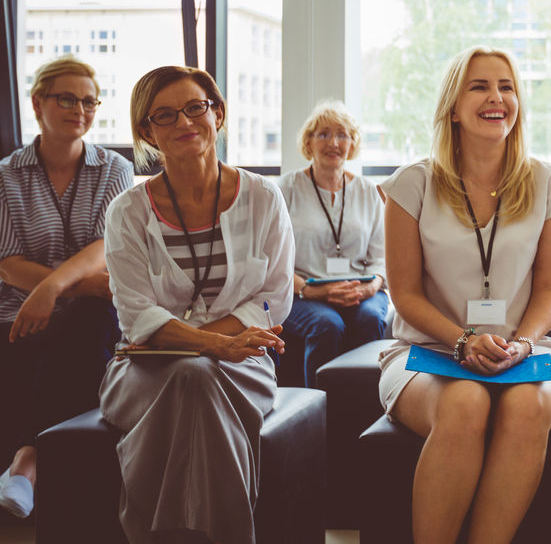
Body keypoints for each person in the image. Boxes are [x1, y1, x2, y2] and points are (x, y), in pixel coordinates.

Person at [377, 47, 551, 544]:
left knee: (526, 407)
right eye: (480, 86)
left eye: (506, 87)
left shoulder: (550, 182)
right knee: (465, 402)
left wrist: (524, 343)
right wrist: (462, 340)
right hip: (427, 349)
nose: (496, 98)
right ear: (453, 106)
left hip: (527, 347)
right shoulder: (411, 184)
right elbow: (403, 293)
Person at [100, 65, 294, 543]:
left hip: (241, 364)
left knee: (198, 374)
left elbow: (274, 296)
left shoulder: (264, 197)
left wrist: (216, 349)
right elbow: (136, 315)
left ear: (218, 114)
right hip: (146, 366)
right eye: (164, 116)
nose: (184, 122)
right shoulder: (128, 210)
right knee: (194, 371)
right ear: (146, 131)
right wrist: (209, 345)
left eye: (195, 108)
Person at [0, 57, 132, 519]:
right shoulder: (6, 174)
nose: (81, 109)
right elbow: (8, 263)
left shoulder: (114, 168)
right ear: (38, 104)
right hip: (19, 308)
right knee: (23, 340)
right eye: (68, 99)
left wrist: (53, 287)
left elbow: (105, 246)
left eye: (89, 100)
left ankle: (26, 461)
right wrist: (71, 287)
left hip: (90, 313)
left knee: (93, 322)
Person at [278, 100, 387, 387]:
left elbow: (382, 255)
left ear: (353, 143)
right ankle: (317, 413)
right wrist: (309, 290)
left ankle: (365, 408)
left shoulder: (368, 191)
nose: (333, 143)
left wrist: (372, 286)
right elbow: (271, 258)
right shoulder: (285, 189)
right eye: (323, 134)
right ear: (308, 142)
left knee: (371, 318)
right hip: (302, 291)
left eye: (342, 135)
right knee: (327, 324)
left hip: (360, 288)